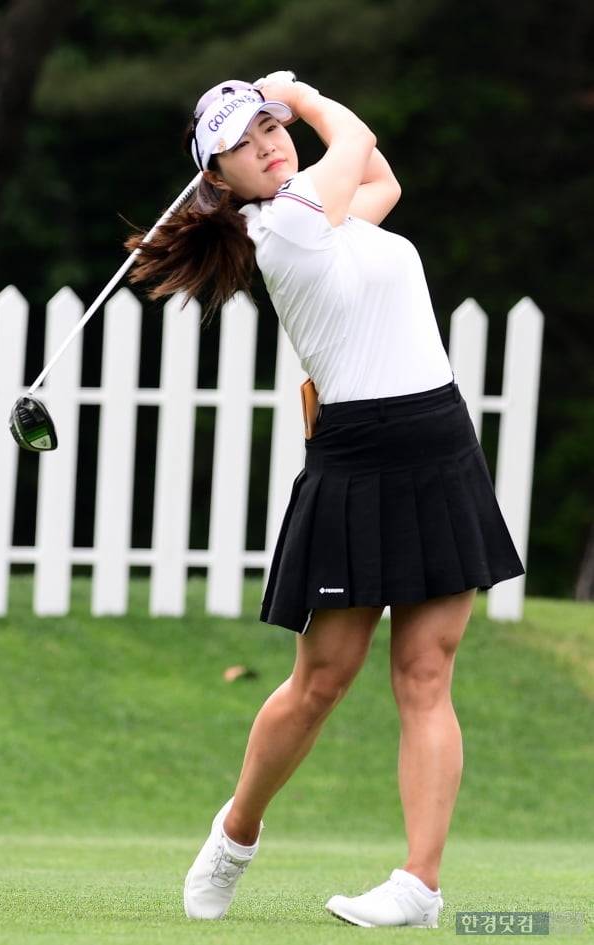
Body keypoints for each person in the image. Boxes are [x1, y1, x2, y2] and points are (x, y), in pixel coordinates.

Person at [125, 74, 526, 928]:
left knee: (427, 672)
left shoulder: (333, 215)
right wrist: (300, 92)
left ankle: (419, 884)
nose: (269, 144)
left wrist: (289, 107)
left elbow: (382, 178)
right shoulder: (286, 229)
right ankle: (236, 832)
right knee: (322, 680)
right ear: (219, 178)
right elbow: (357, 142)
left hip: (438, 440)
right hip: (360, 455)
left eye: (270, 128)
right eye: (243, 144)